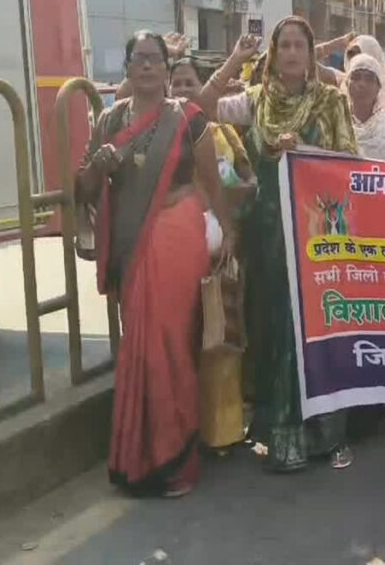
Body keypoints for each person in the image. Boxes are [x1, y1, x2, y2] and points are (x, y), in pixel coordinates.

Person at [75, 31, 235, 497]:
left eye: (154, 59)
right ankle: (137, 458)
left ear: (167, 68)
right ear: (126, 68)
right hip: (131, 242)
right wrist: (98, 169)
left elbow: (212, 181)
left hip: (175, 233)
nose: (146, 66)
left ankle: (175, 459)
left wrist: (228, 233)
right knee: (139, 349)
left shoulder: (187, 119)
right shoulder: (108, 121)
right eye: (137, 59)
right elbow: (84, 190)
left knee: (168, 344)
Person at [199, 17, 358, 473]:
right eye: (283, 45)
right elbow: (200, 110)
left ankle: (325, 435)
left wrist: (306, 150)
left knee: (308, 329)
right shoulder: (255, 103)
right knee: (271, 327)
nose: (290, 53)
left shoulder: (329, 101)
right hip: (268, 236)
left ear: (311, 54)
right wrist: (234, 60)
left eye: (298, 45)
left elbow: (350, 162)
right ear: (273, 53)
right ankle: (277, 429)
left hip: (316, 237)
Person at [169, 57, 257, 452]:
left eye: (190, 83)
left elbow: (248, 176)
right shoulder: (162, 130)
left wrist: (229, 213)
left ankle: (224, 429)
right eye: (178, 84)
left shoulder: (222, 132)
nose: (183, 90)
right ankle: (184, 429)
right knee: (182, 338)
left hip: (220, 243)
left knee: (221, 335)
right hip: (175, 245)